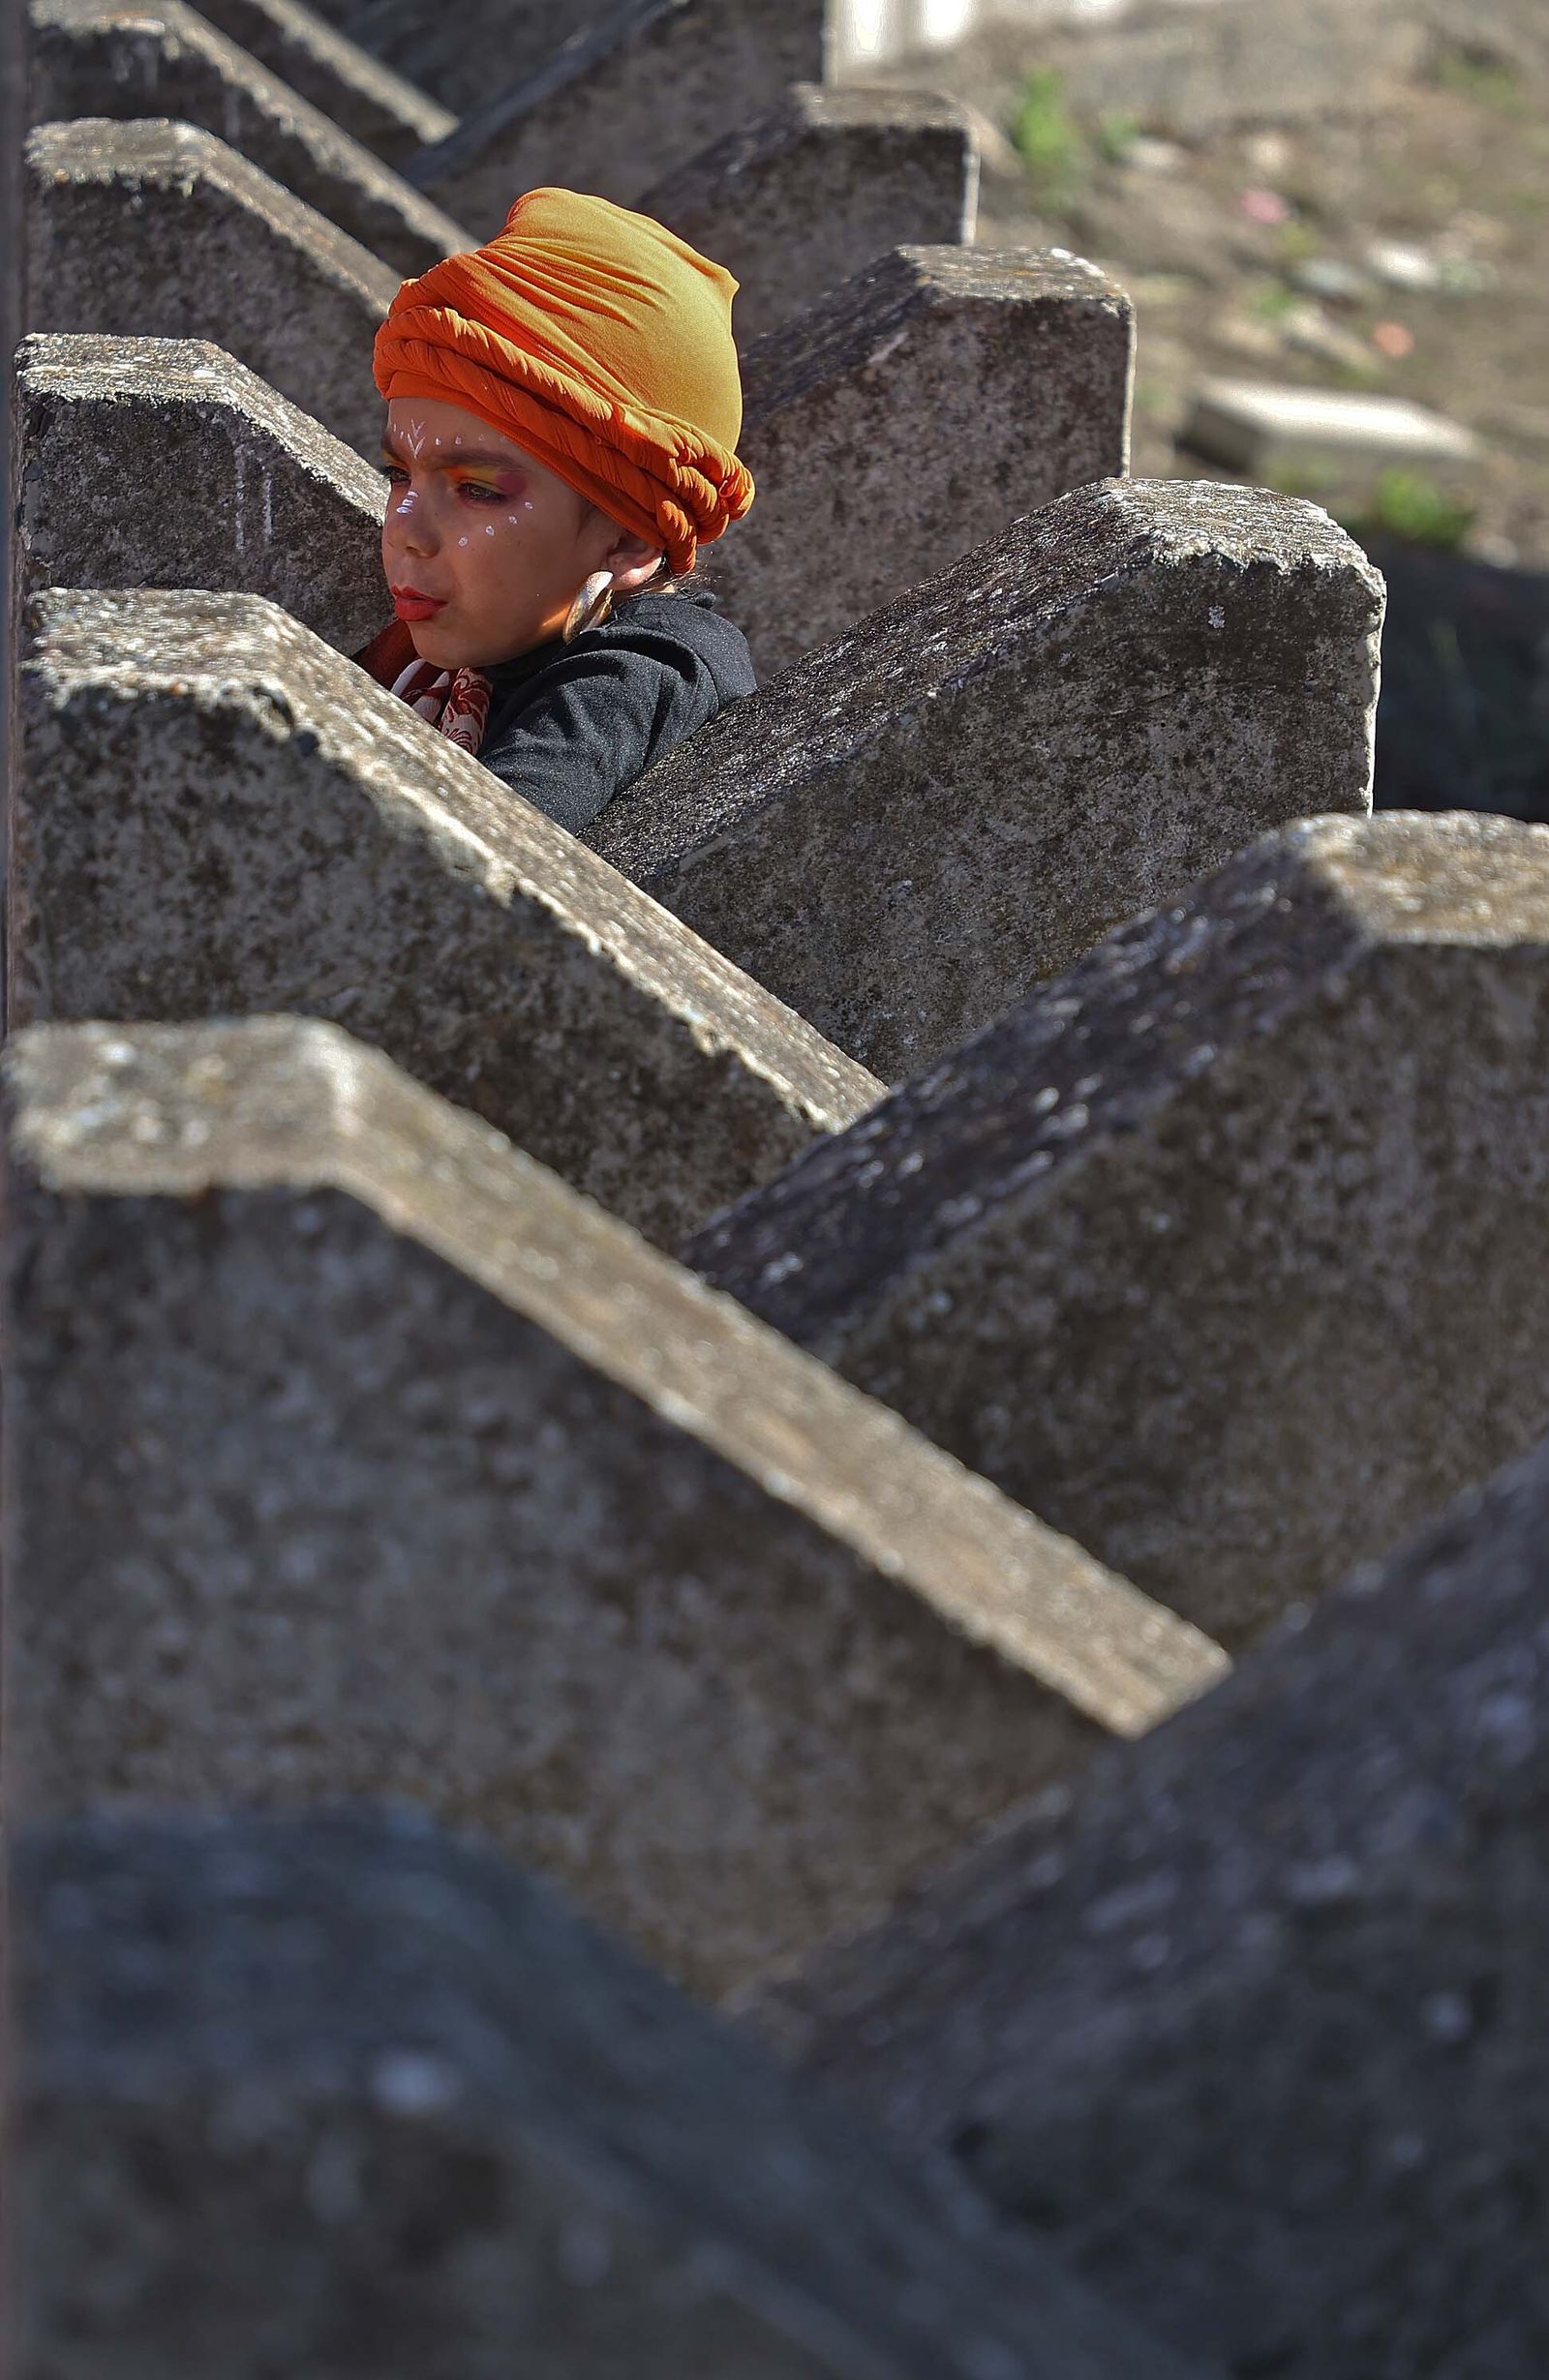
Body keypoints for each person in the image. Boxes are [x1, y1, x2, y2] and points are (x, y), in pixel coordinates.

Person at [353, 184, 757, 834]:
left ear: (627, 537)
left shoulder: (641, 673)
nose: (405, 531)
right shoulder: (449, 661)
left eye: (476, 489)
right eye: (398, 474)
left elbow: (473, 857)